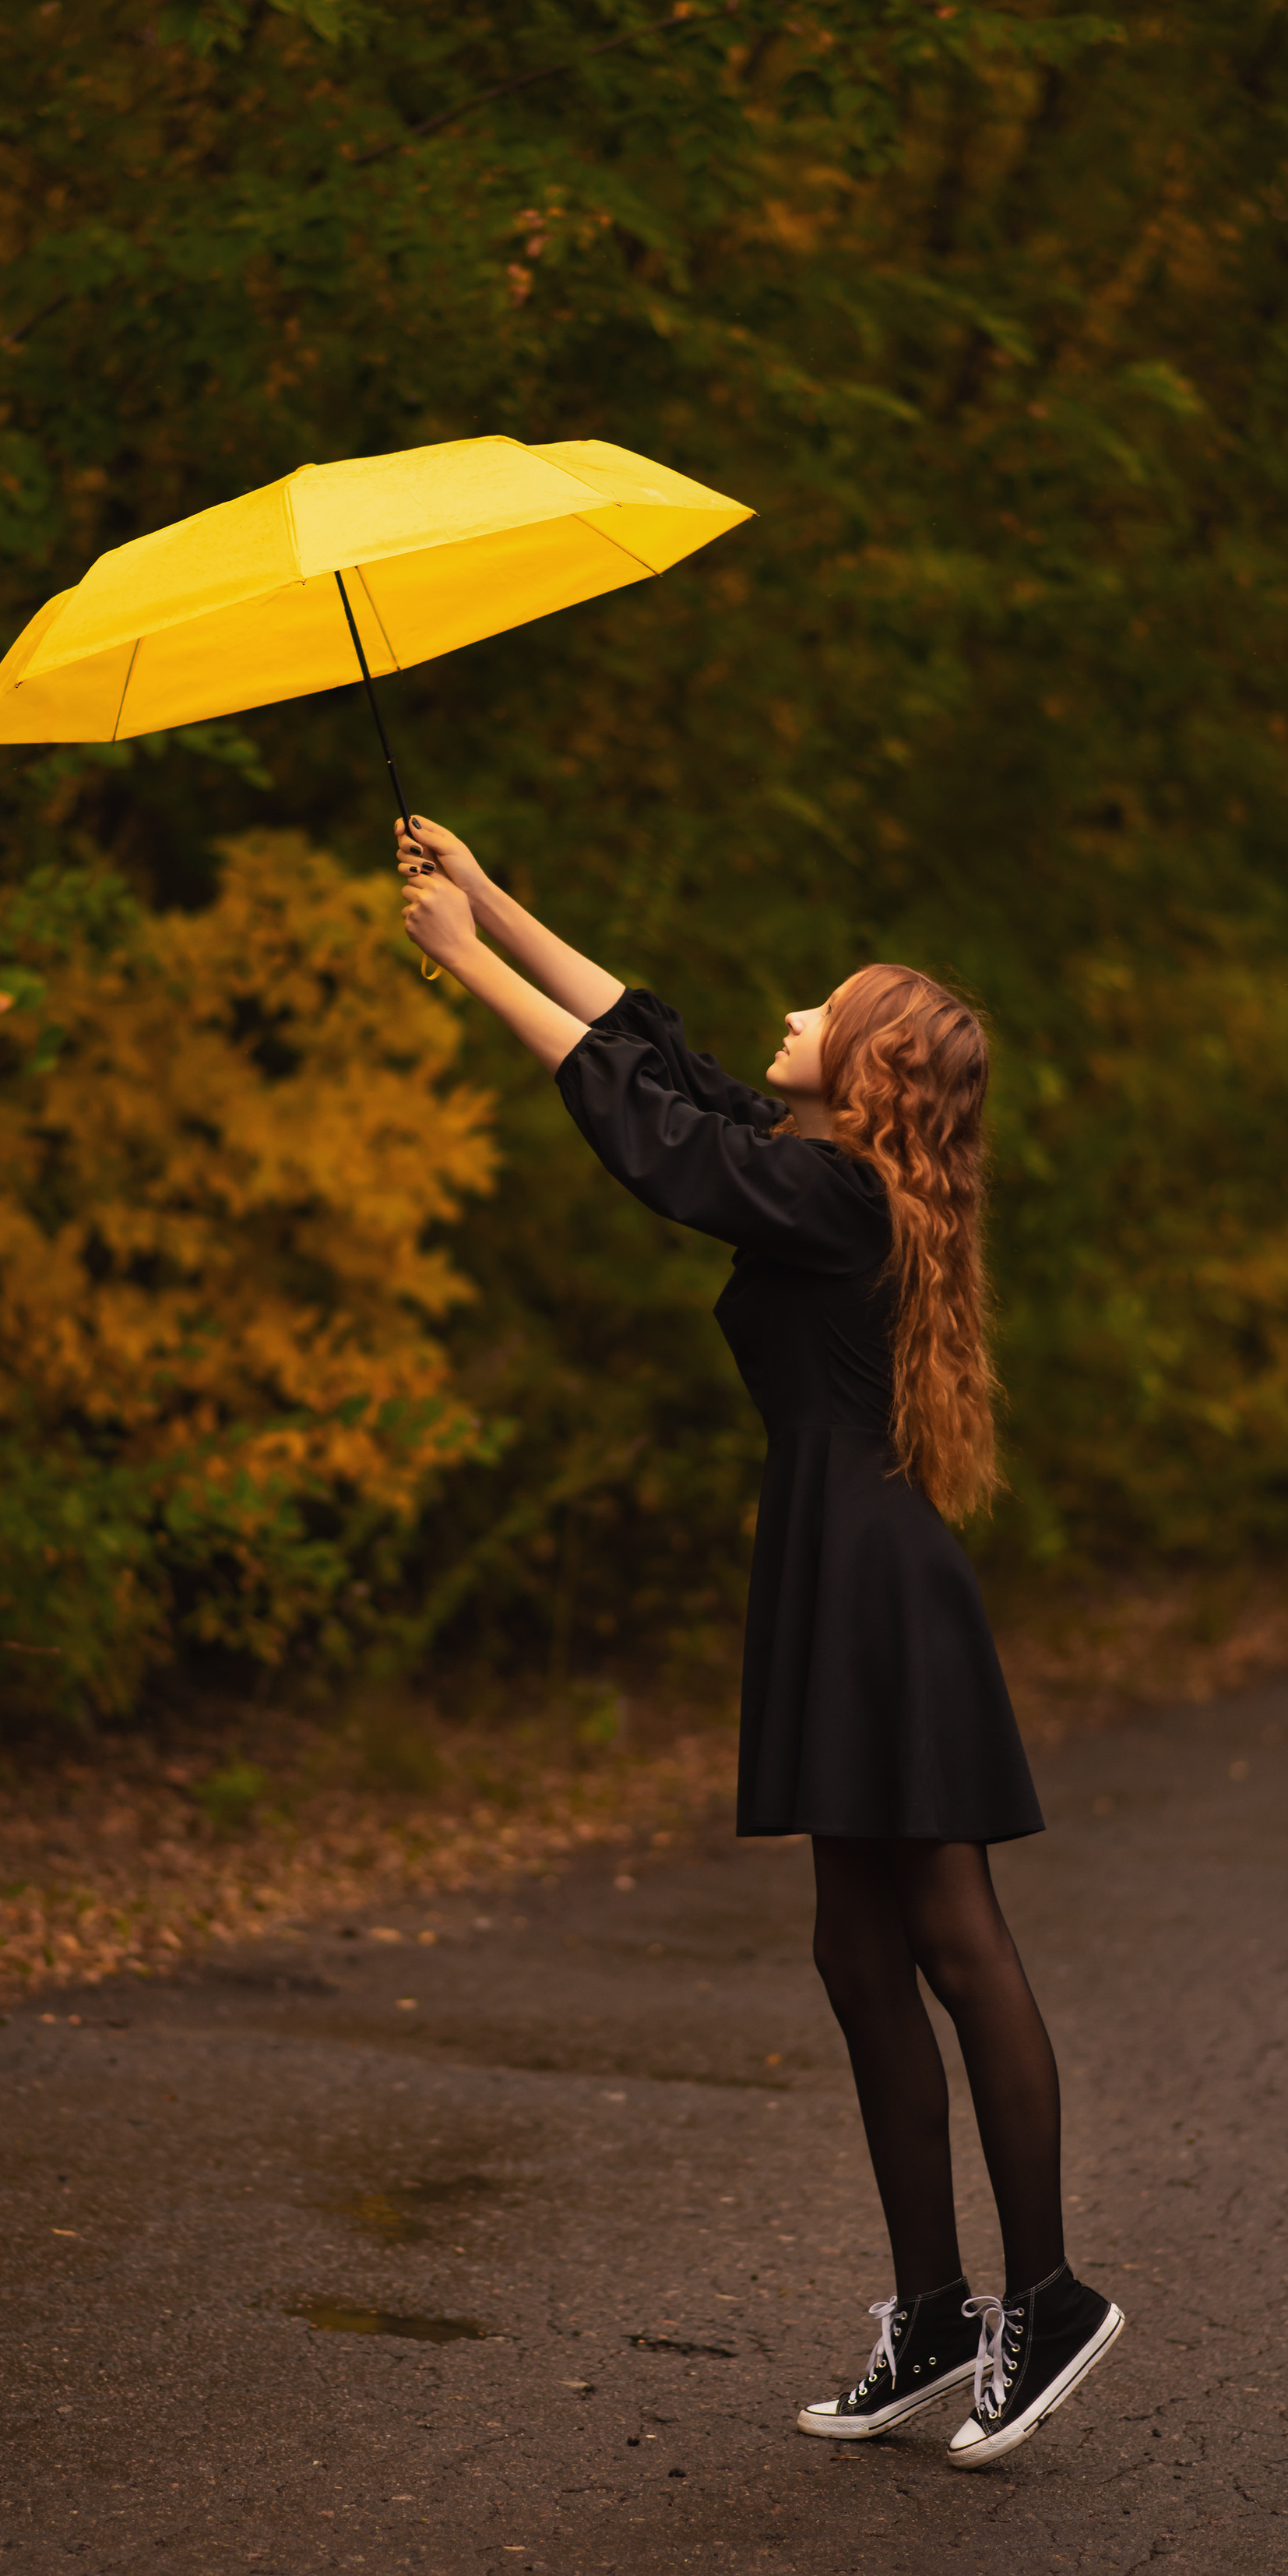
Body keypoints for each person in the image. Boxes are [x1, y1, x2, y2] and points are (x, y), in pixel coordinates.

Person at [396, 813, 1124, 2469]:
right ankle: (935, 2309)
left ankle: (1049, 2296)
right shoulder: (822, 1172)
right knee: (854, 1955)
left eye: (823, 1004)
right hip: (837, 1575)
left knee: (949, 1940)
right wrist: (498, 904)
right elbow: (662, 1063)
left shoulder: (834, 1196)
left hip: (878, 1595)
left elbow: (653, 1147)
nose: (787, 1013)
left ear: (863, 1073)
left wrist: (462, 977)